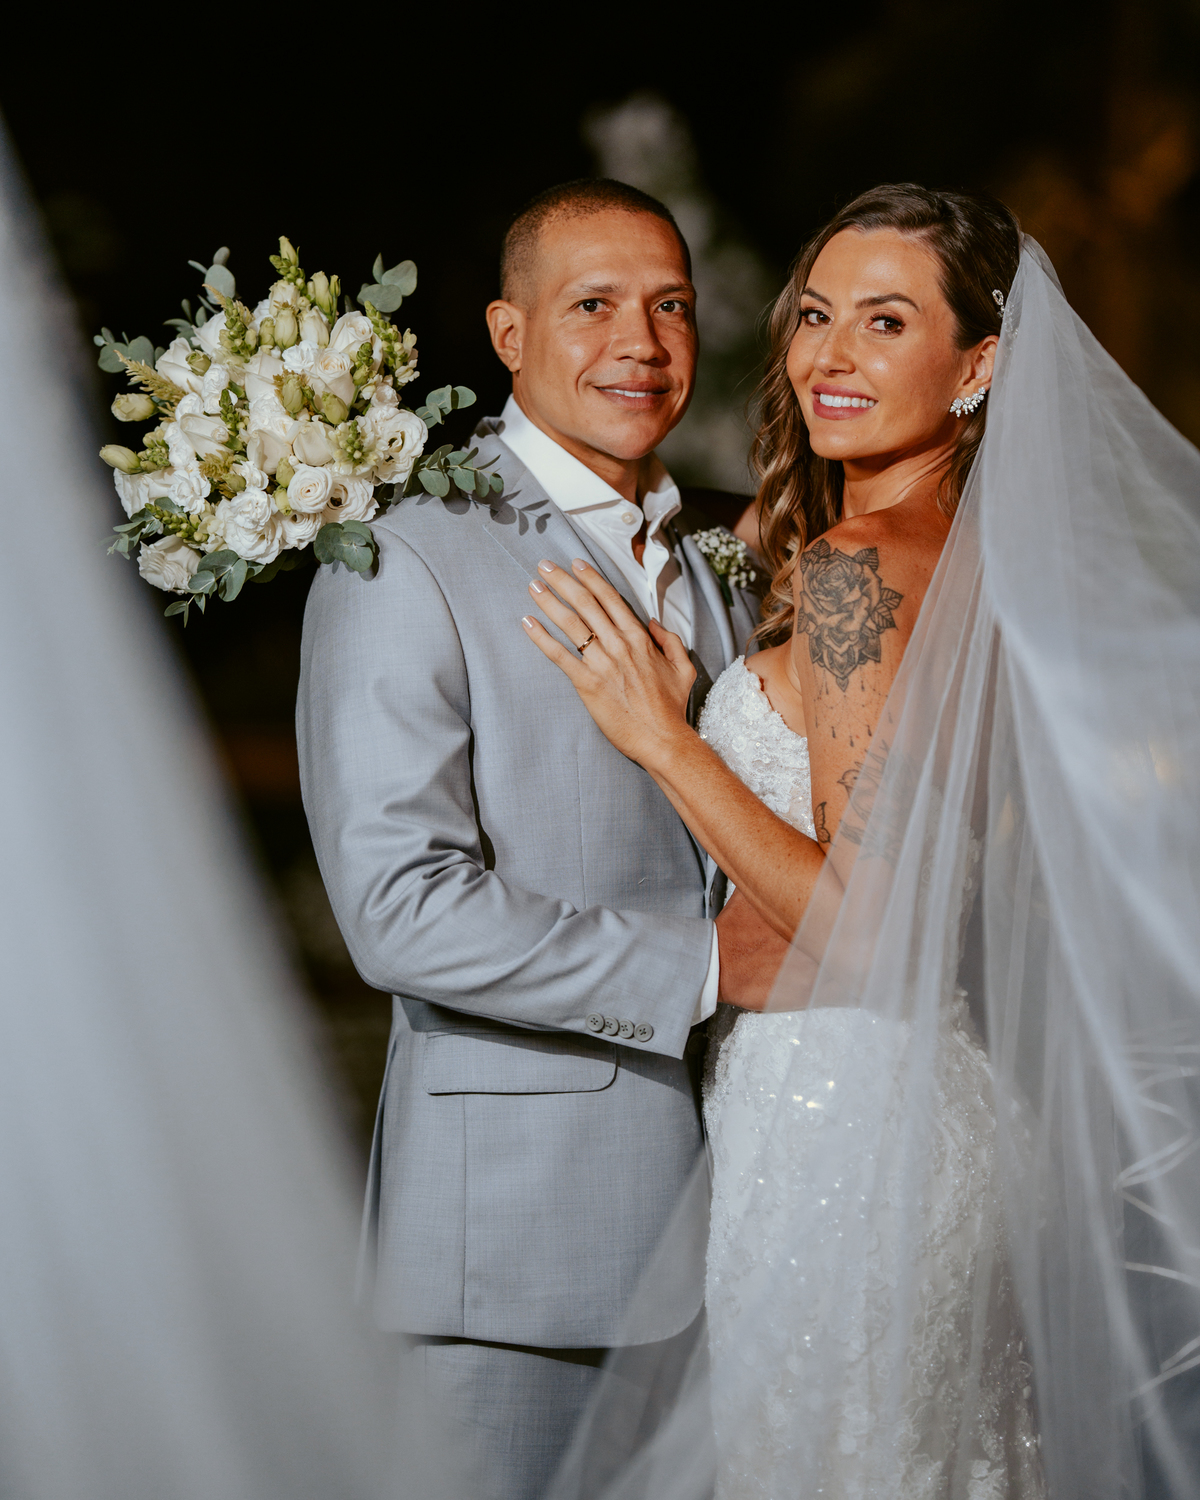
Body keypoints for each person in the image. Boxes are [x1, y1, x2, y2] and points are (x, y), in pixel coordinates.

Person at [525, 185, 1056, 1497]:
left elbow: (871, 919)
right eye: (816, 316)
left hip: (845, 1127)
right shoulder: (982, 557)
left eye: (887, 322)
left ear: (980, 364)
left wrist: (667, 739)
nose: (831, 356)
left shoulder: (860, 568)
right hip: (944, 1106)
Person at [296, 177, 771, 1500]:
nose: (644, 343)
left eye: (670, 305)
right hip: (516, 1247)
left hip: (748, 1224)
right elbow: (400, 910)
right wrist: (703, 969)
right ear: (509, 334)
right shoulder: (403, 556)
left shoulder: (731, 551)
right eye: (596, 305)